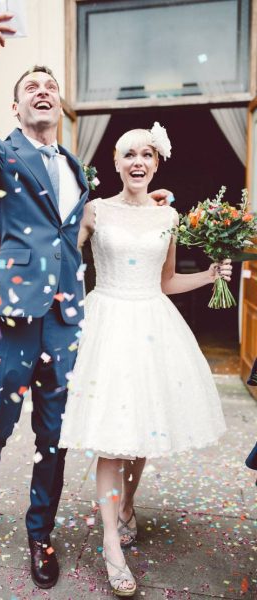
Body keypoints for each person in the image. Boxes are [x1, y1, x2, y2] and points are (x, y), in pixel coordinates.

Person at [0, 1, 171, 589]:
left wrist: (152, 204)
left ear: (60, 105)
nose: (43, 91)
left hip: (68, 318)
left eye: (50, 86)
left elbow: (86, 227)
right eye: (32, 87)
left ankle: (40, 533)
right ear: (17, 106)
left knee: (55, 435)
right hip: (15, 314)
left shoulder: (77, 167)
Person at [57, 124, 231, 596]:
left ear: (157, 164)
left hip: (152, 325)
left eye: (147, 154)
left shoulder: (168, 216)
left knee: (143, 430)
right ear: (115, 162)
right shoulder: (95, 210)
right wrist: (9, 255)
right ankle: (111, 543)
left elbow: (166, 281)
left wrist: (210, 275)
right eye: (129, 154)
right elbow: (62, 256)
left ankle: (128, 503)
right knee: (111, 441)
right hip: (108, 324)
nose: (138, 162)